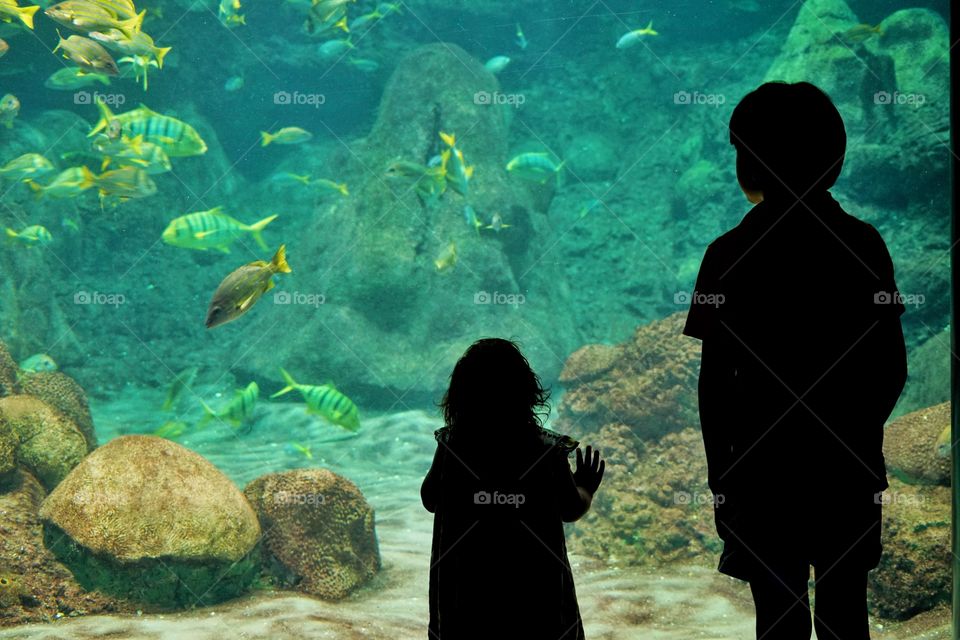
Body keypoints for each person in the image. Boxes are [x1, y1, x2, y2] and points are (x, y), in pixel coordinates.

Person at [683, 81, 907, 639]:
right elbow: (892, 367)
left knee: (777, 619)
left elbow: (713, 383)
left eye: (739, 150)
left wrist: (721, 476)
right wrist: (852, 433)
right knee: (845, 614)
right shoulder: (864, 244)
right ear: (833, 156)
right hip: (844, 471)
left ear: (751, 162)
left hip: (761, 473)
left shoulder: (727, 255)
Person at [421, 338, 605, 640]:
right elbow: (571, 508)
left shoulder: (452, 446)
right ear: (527, 392)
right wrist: (586, 486)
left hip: (466, 599)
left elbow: (429, 499)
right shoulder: (547, 451)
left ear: (459, 396)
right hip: (535, 600)